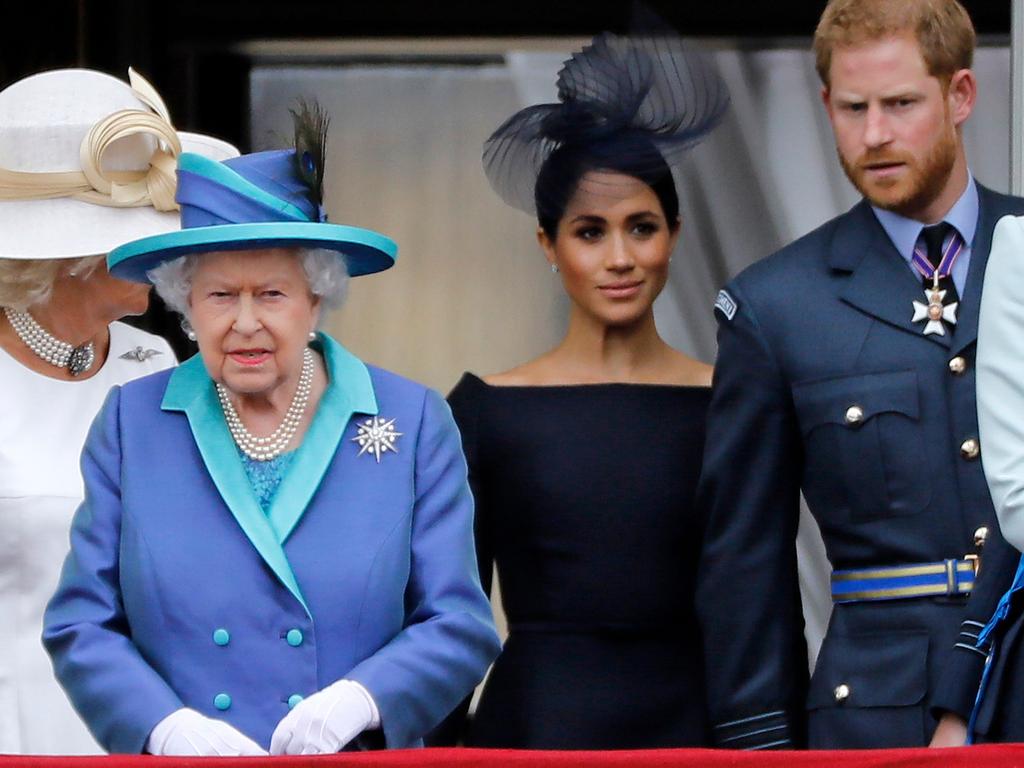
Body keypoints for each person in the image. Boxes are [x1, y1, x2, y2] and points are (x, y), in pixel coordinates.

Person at [42, 106, 501, 756]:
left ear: (316, 298)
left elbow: (459, 622)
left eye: (273, 294)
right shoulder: (132, 424)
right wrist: (162, 726)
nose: (246, 323)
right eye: (221, 297)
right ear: (186, 305)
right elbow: (80, 622)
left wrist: (366, 699)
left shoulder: (413, 421)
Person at [695, 0, 1024, 750]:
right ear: (826, 107)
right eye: (853, 108)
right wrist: (762, 748)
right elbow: (746, 563)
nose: (874, 134)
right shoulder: (774, 305)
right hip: (878, 717)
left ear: (961, 95)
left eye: (902, 104)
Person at [443, 31, 728, 749]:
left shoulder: (731, 402)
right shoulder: (484, 410)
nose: (621, 257)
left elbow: (758, 597)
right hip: (533, 732)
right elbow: (450, 613)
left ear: (675, 234)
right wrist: (433, 753)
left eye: (641, 227)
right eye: (590, 232)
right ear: (548, 244)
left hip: (697, 733)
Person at [0, 67, 236, 754]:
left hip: (145, 728)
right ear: (68, 253)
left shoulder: (156, 364)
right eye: (139, 230)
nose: (167, 251)